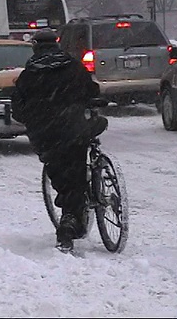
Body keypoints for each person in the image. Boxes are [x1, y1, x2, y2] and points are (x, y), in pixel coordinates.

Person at [11, 28, 107, 252]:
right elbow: (91, 90)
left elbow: (18, 108)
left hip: (46, 135)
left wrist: (33, 118)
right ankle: (75, 212)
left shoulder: (29, 75)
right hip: (74, 128)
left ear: (35, 47)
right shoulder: (73, 66)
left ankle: (69, 221)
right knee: (76, 165)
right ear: (56, 44)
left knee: (61, 174)